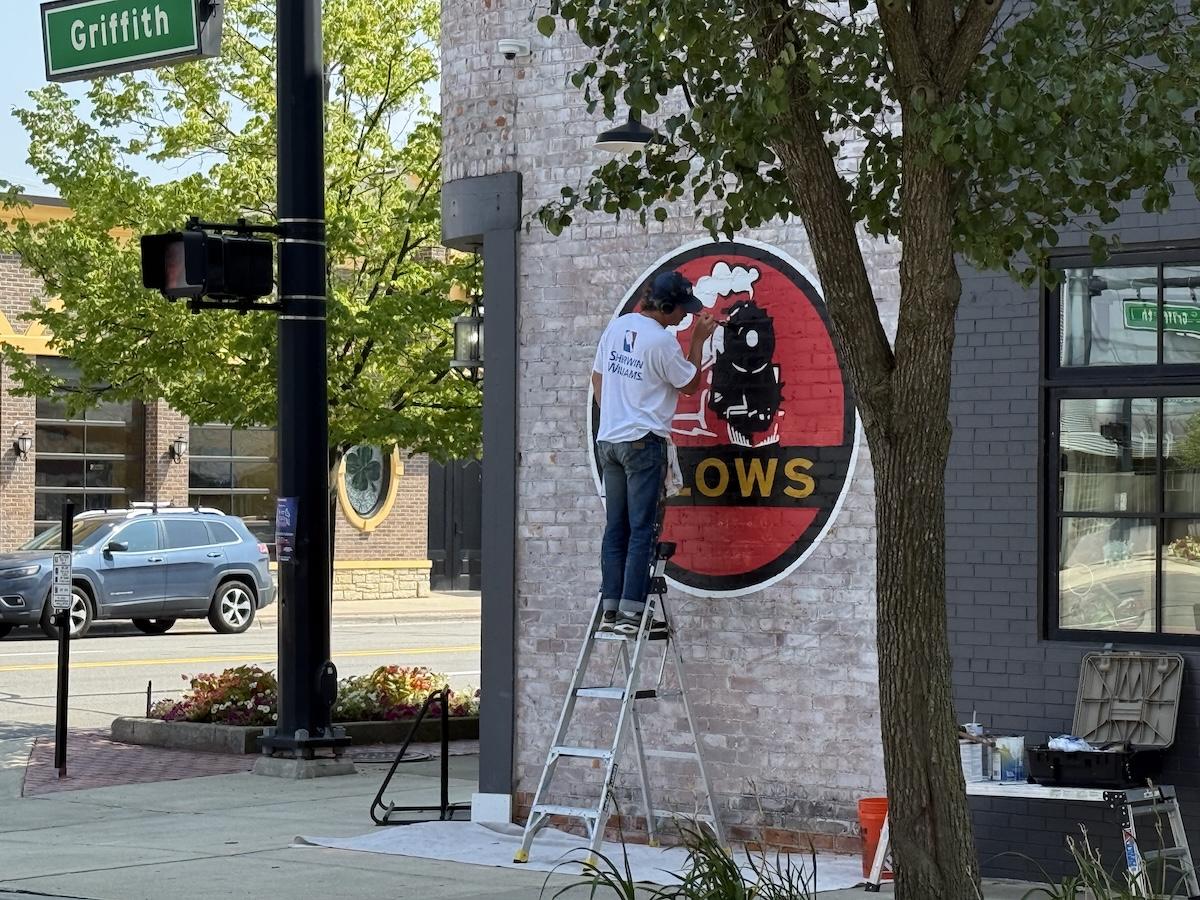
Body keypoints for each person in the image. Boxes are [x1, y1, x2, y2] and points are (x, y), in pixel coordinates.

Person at [591, 271, 719, 634]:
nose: (685, 317)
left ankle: (611, 608)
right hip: (643, 442)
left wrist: (617, 412)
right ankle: (633, 613)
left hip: (610, 442)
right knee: (642, 530)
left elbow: (598, 378)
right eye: (681, 311)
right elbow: (691, 384)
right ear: (665, 306)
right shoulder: (660, 342)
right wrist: (697, 340)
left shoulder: (617, 328)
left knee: (616, 527)